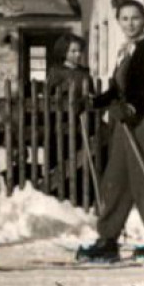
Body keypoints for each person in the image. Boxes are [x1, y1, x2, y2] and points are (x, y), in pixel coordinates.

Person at [76, 0, 144, 264]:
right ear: (119, 21)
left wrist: (133, 107)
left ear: (143, 19)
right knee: (116, 180)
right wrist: (94, 102)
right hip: (124, 124)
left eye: (135, 18)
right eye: (124, 18)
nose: (130, 23)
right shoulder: (125, 50)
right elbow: (116, 89)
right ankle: (108, 239)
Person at [47, 33, 97, 202]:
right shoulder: (56, 72)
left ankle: (80, 194)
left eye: (79, 51)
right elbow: (49, 97)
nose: (77, 54)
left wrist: (88, 100)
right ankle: (58, 194)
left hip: (82, 123)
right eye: (73, 51)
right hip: (62, 124)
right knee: (61, 157)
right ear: (64, 52)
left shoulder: (85, 74)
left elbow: (92, 96)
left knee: (80, 159)